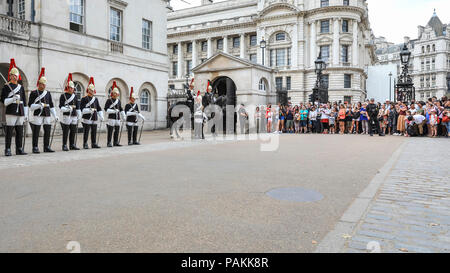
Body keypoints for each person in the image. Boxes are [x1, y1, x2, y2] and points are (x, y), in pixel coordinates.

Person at [1, 59, 28, 156]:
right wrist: (13, 99)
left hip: (20, 110)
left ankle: (19, 148)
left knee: (20, 130)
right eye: (13, 75)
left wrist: (26, 114)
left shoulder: (20, 87)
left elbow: (24, 102)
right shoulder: (6, 87)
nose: (15, 77)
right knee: (9, 130)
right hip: (11, 110)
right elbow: (4, 101)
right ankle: (7, 149)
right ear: (10, 76)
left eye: (16, 75)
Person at [28, 68, 59, 154]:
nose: (44, 85)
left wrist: (55, 115)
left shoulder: (48, 93)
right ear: (39, 84)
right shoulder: (34, 93)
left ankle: (46, 146)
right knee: (36, 131)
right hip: (38, 114)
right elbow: (30, 106)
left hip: (47, 113)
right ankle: (35, 147)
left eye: (45, 84)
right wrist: (38, 105)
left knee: (47, 130)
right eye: (42, 84)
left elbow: (51, 105)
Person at [80, 77, 104, 149]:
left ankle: (93, 143)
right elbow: (82, 109)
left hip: (94, 116)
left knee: (94, 131)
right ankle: (85, 143)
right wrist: (89, 110)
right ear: (88, 90)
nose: (92, 91)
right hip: (87, 117)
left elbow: (98, 108)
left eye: (93, 90)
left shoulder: (95, 99)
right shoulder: (84, 98)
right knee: (86, 131)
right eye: (91, 90)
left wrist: (101, 115)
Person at [59, 74, 81, 151]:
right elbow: (61, 107)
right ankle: (64, 145)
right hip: (67, 115)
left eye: (73, 88)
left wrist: (79, 115)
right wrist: (68, 108)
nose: (72, 89)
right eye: (70, 88)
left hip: (74, 115)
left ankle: (72, 144)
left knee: (73, 131)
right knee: (66, 131)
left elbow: (78, 107)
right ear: (68, 88)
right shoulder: (63, 96)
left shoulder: (75, 96)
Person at [104, 82, 125, 147]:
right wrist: (113, 111)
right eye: (115, 93)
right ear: (112, 93)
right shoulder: (109, 100)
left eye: (117, 93)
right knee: (110, 130)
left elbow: (121, 108)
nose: (116, 94)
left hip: (117, 117)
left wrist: (123, 115)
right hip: (111, 117)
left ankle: (116, 142)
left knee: (117, 130)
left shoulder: (118, 101)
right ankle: (109, 142)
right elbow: (106, 109)